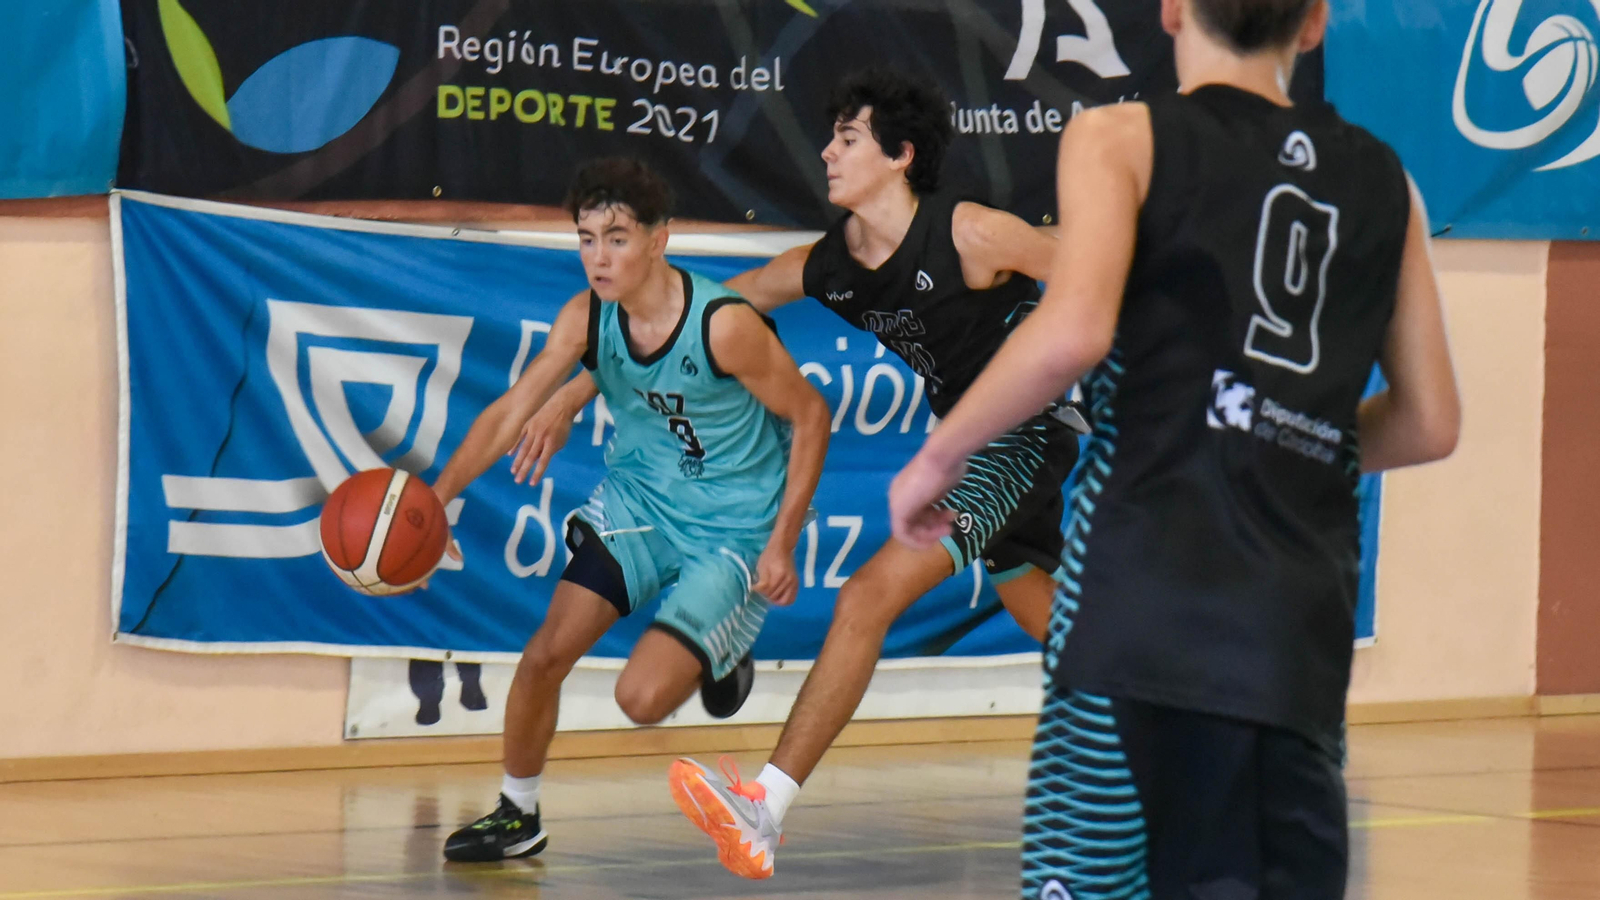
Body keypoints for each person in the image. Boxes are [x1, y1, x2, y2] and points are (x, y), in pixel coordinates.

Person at [888, 1, 1461, 897]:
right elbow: (1431, 422)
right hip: (1294, 641)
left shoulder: (1120, 136)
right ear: (1313, 24)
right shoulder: (1388, 181)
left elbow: (1072, 331)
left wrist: (941, 456)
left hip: (1136, 614)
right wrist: (1287, 428)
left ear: (1171, 10)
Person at [512, 67, 1085, 879]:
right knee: (1069, 634)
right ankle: (1188, 740)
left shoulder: (971, 233)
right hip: (966, 436)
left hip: (1021, 435)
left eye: (847, 137)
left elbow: (1089, 275)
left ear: (900, 156)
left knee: (866, 594)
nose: (826, 151)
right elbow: (717, 306)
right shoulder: (839, 261)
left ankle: (766, 807)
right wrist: (579, 386)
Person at [432, 157, 830, 863]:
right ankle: (517, 813)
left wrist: (782, 542)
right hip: (641, 501)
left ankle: (725, 649)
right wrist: (437, 500)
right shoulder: (586, 318)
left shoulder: (725, 326)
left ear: (659, 239)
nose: (598, 256)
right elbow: (507, 412)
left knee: (639, 700)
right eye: (585, 238)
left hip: (731, 528)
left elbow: (811, 415)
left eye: (616, 237)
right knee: (543, 655)